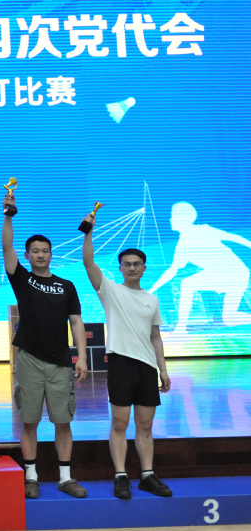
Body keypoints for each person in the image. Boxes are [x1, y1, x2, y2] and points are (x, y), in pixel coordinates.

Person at [2, 192, 88, 499]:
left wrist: (81, 357)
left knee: (62, 422)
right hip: (28, 359)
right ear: (27, 256)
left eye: (45, 251)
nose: (40, 255)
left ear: (51, 255)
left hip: (60, 362)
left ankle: (65, 478)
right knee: (29, 421)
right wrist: (8, 215)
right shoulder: (22, 279)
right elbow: (7, 247)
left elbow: (76, 323)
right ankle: (31, 476)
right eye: (35, 251)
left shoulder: (66, 286)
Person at [82, 213, 172, 499]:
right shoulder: (111, 291)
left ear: (144, 268)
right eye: (127, 264)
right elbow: (88, 263)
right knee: (120, 423)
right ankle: (120, 475)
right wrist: (88, 232)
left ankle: (147, 475)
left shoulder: (152, 299)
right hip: (121, 364)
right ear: (120, 268)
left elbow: (155, 337)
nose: (132, 268)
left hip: (147, 367)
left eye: (136, 264)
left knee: (145, 425)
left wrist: (163, 369)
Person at [149, 202, 251, 338]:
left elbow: (233, 237)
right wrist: (151, 290)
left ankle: (181, 329)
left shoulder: (204, 230)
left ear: (184, 218)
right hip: (221, 274)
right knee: (229, 319)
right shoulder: (182, 246)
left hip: (235, 272)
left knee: (187, 284)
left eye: (173, 216)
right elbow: (172, 271)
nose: (170, 219)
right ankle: (181, 329)